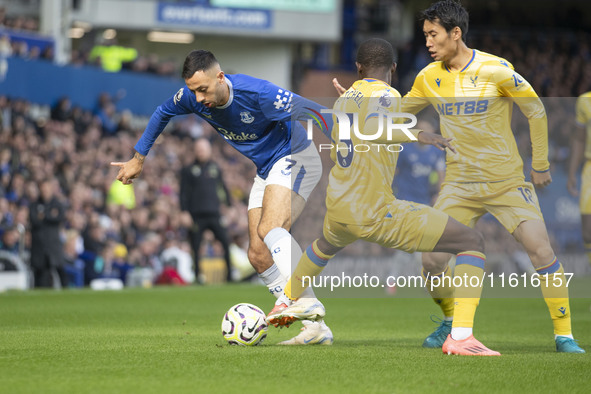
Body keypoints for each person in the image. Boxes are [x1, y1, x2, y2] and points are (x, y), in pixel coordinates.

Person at [332, 0, 584, 353]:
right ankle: (453, 323)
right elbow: (399, 111)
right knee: (432, 260)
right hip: (459, 184)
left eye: (433, 35)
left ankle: (564, 335)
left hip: (505, 182)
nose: (428, 43)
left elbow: (536, 109)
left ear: (456, 33)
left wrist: (539, 164)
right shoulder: (428, 77)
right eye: (425, 35)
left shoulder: (496, 70)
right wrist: (358, 102)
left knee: (540, 250)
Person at [268, 38, 501, 355]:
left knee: (322, 247)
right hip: (374, 210)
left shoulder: (345, 100)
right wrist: (420, 134)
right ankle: (460, 336)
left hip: (338, 207)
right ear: (393, 67)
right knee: (472, 242)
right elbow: (379, 125)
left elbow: (351, 137)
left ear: (358, 68)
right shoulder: (389, 96)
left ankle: (285, 300)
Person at [111, 50, 333, 345]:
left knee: (270, 229)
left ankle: (303, 302)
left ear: (220, 78)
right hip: (267, 168)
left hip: (296, 155)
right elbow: (163, 112)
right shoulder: (193, 97)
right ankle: (315, 327)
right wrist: (139, 158)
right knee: (257, 253)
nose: (199, 99)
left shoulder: (258, 93)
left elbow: (315, 112)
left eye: (203, 90)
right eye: (193, 91)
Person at [180, 138, 232, 283]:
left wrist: (229, 206)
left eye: (203, 149)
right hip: (196, 215)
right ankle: (198, 276)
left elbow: (223, 188)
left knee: (225, 242)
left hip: (215, 213)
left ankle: (229, 276)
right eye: (198, 149)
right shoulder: (188, 170)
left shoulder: (215, 168)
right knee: (195, 246)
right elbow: (183, 192)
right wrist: (184, 211)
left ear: (209, 151)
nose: (201, 152)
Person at [29, 179, 68, 288]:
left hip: (53, 244)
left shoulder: (57, 204)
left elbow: (59, 217)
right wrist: (50, 215)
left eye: (47, 189)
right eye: (43, 189)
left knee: (60, 268)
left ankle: (67, 292)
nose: (44, 191)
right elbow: (34, 220)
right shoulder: (34, 204)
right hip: (39, 244)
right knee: (40, 272)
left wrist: (43, 215)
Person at [567, 91, 591, 265]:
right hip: (589, 168)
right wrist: (572, 172)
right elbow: (579, 139)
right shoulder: (584, 101)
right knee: (588, 233)